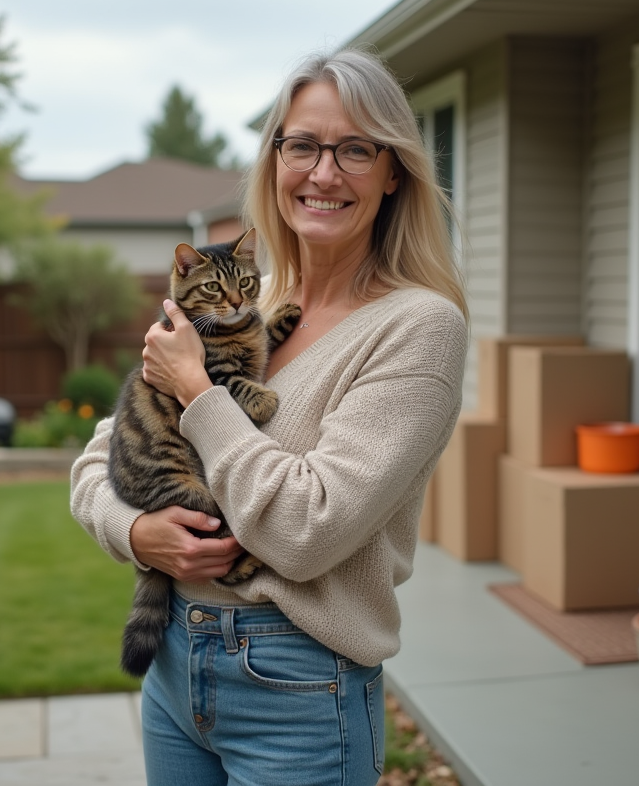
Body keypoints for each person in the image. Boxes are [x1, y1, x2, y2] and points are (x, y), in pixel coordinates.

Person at [70, 47, 468, 786]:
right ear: (275, 160)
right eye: (303, 145)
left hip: (298, 684)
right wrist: (136, 534)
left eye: (355, 149)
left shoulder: (418, 328)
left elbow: (308, 531)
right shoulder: (250, 295)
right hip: (173, 660)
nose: (324, 173)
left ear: (393, 172)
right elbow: (97, 460)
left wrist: (200, 394)